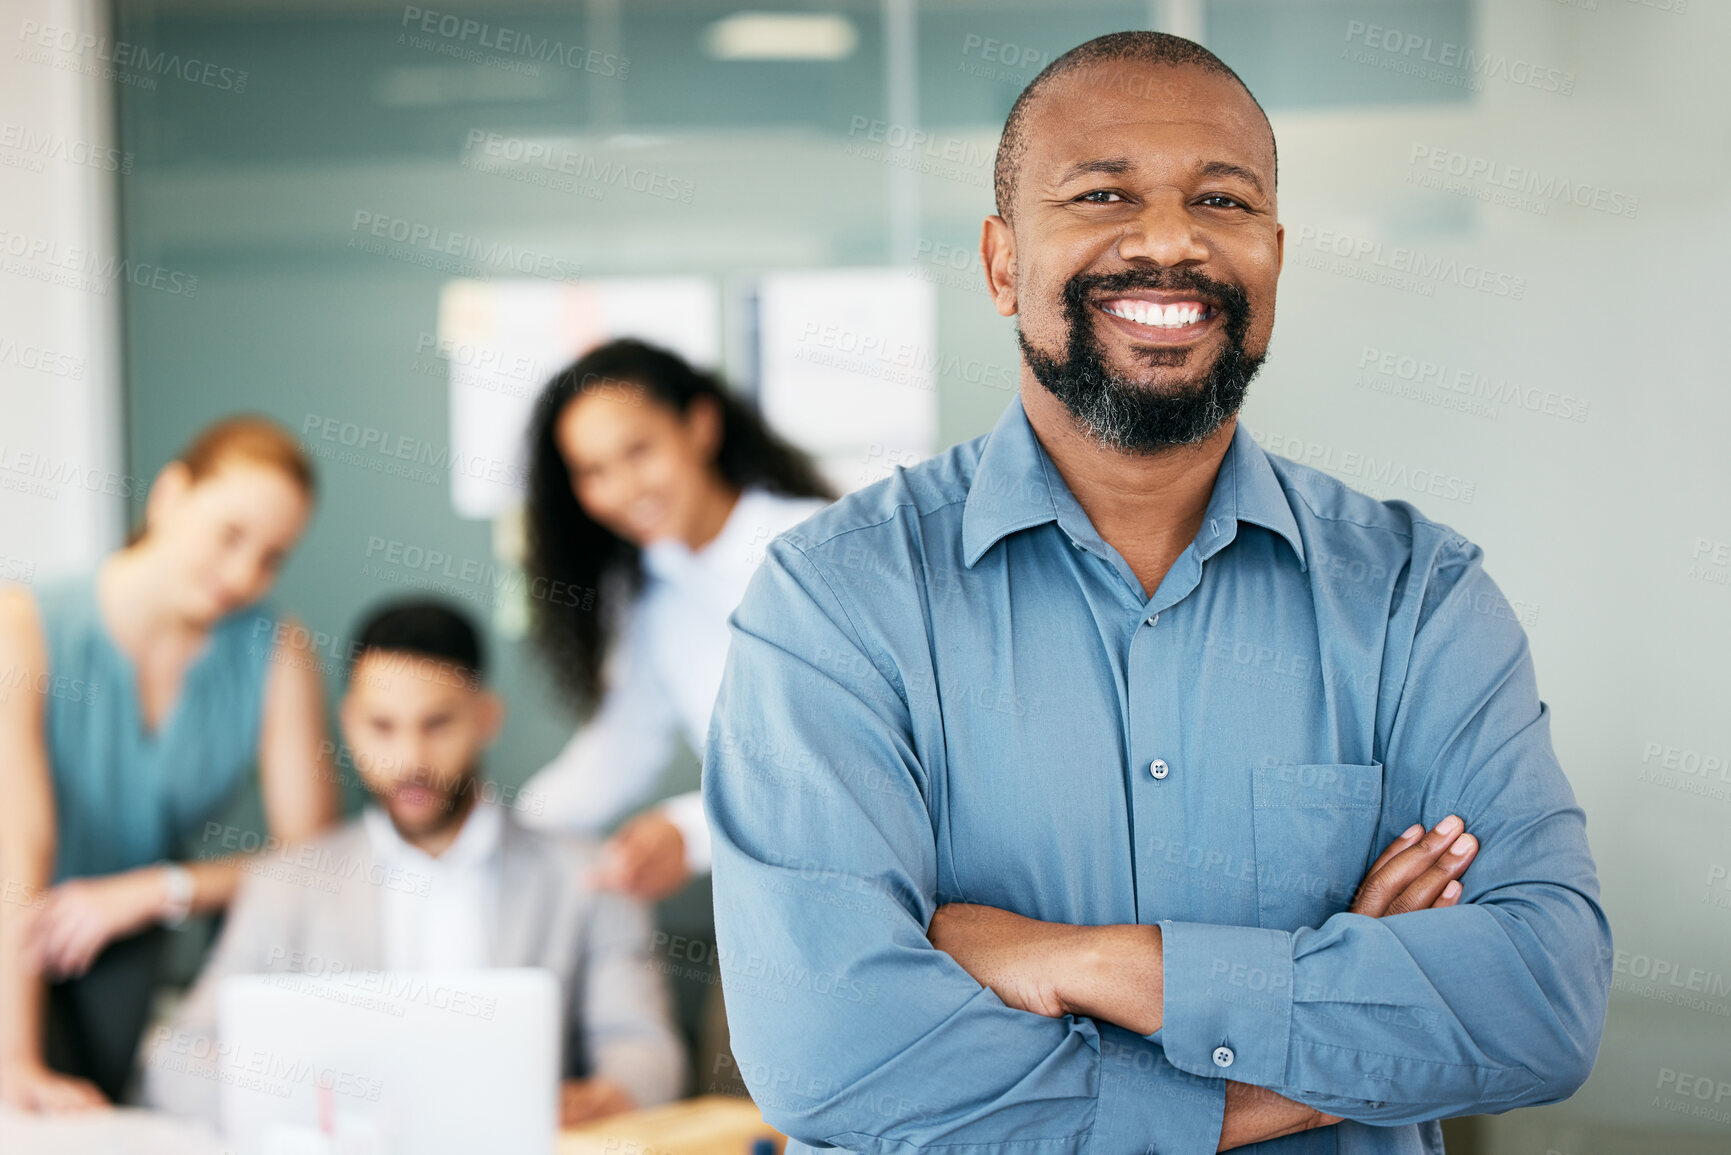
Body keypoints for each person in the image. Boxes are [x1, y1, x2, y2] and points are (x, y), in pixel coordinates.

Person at [705, 31, 1610, 1155]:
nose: (1173, 240)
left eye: (1223, 202)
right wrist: (1298, 1078)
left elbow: (1541, 1002)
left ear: (1274, 257)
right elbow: (830, 1053)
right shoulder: (837, 604)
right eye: (1101, 193)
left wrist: (1107, 965)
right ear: (1001, 263)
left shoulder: (1416, 600)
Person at [143, 598, 686, 1126]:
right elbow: (177, 1066)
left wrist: (609, 1098)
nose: (411, 761)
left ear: (485, 718)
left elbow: (646, 1049)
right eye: (382, 727)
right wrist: (321, 1106)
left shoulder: (589, 877)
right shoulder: (285, 886)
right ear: (349, 725)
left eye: (437, 725)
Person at [0, 417, 338, 1113]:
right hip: (14, 922)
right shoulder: (22, 626)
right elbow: (18, 844)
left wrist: (156, 889)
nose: (244, 574)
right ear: (169, 496)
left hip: (121, 936)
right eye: (230, 535)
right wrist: (14, 1056)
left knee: (96, 1109)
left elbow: (313, 861)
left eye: (272, 557)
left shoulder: (275, 650)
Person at [516, 339, 832, 902]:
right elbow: (623, 743)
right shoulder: (649, 588)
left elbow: (834, 760)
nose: (623, 490)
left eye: (638, 450)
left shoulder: (816, 545)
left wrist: (688, 833)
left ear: (700, 426)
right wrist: (509, 830)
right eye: (592, 471)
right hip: (774, 902)